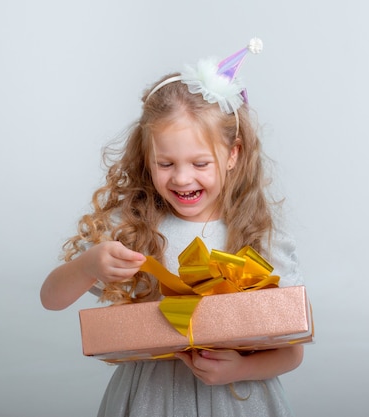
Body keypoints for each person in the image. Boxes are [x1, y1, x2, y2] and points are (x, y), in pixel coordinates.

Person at [40, 38, 306, 417]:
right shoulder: (133, 230)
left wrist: (243, 367)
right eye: (166, 164)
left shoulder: (260, 239)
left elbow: (292, 350)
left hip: (238, 401)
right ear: (146, 157)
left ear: (233, 154)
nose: (182, 179)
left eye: (200, 163)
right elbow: (50, 299)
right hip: (150, 399)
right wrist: (87, 266)